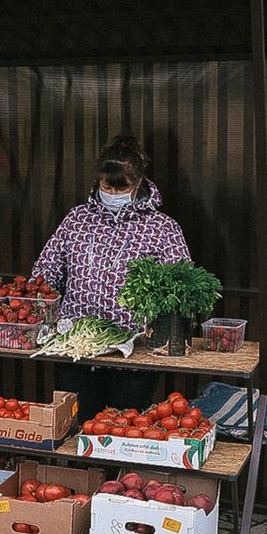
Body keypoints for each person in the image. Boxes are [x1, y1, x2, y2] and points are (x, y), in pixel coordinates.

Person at [32, 135, 191, 421]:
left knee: (124, 431)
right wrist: (36, 306)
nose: (113, 192)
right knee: (75, 429)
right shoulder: (77, 220)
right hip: (75, 354)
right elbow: (45, 272)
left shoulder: (162, 228)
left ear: (139, 182)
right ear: (98, 180)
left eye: (122, 186)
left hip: (133, 359)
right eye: (108, 185)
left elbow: (181, 288)